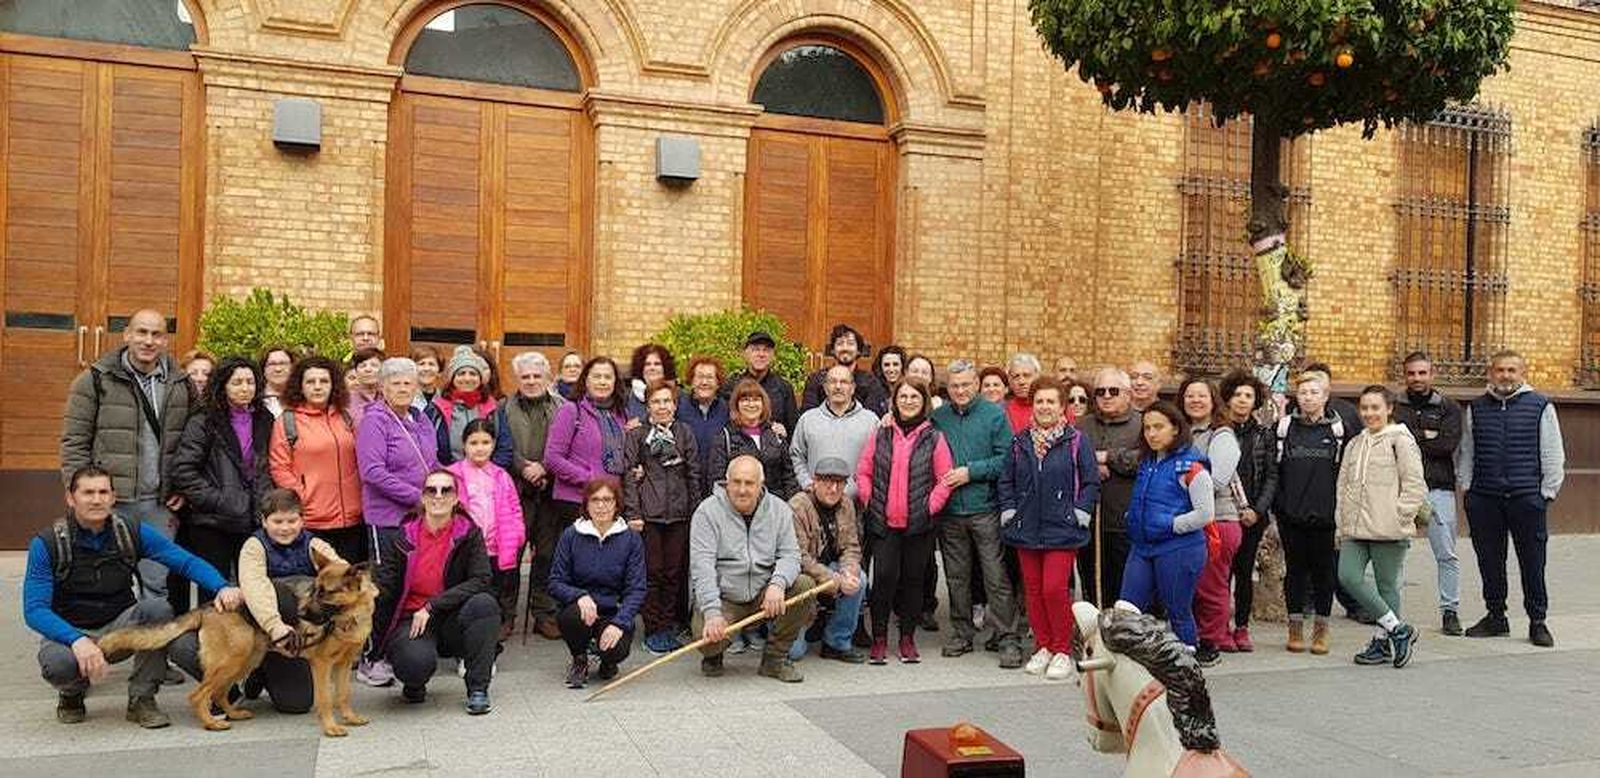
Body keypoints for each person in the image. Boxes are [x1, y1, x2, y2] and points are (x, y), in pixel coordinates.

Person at [24, 466, 242, 728]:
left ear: (113, 497)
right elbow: (34, 609)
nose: (96, 499)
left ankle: (142, 699)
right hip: (70, 630)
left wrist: (221, 586)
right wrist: (77, 640)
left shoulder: (129, 531)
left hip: (122, 625)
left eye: (103, 492)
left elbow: (184, 562)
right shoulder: (47, 543)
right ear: (71, 498)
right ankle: (72, 692)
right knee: (57, 665)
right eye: (88, 492)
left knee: (158, 610)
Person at [60, 308, 195, 605]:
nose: (148, 341)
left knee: (156, 587)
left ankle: (151, 651)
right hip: (110, 504)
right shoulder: (94, 380)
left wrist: (184, 487)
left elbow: (193, 445)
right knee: (104, 585)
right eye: (142, 332)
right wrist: (81, 494)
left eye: (156, 334)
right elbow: (74, 443)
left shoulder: (181, 384)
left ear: (165, 340)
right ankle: (103, 649)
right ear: (127, 335)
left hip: (159, 506)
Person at [1455, 350, 1565, 647]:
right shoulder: (1477, 408)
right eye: (1500, 370)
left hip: (1526, 498)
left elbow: (1552, 451)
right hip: (1485, 498)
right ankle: (1496, 616)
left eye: (1511, 370)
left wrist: (1546, 492)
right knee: (1490, 560)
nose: (1505, 375)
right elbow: (1467, 450)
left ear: (1522, 373)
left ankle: (1537, 621)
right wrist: (1467, 487)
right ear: (1491, 373)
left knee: (1532, 561)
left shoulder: (1540, 405)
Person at [999, 378, 1101, 680]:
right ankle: (1042, 645)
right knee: (1032, 591)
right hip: (1026, 526)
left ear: (1062, 407)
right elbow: (1006, 481)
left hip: (1063, 527)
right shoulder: (1019, 442)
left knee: (1054, 589)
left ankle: (1061, 650)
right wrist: (1010, 510)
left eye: (1051, 402)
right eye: (1039, 401)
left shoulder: (1077, 441)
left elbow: (1091, 481)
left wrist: (1079, 512)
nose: (1044, 407)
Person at [374, 469, 498, 714]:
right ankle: (414, 682)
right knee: (414, 663)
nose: (438, 496)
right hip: (412, 620)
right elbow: (384, 587)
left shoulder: (469, 533)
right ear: (422, 497)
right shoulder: (401, 537)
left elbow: (482, 579)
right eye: (431, 490)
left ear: (455, 498)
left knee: (485, 604)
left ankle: (478, 688)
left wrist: (432, 605)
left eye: (446, 490)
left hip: (452, 616)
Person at [691, 455, 816, 682]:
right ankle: (713, 655)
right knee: (707, 638)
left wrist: (777, 584)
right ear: (726, 482)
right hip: (725, 597)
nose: (742, 490)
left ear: (761, 485)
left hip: (764, 593)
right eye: (736, 482)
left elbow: (790, 554)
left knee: (804, 585)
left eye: (749, 483)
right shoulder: (706, 512)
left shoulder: (779, 510)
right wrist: (711, 613)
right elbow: (702, 568)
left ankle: (774, 660)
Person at [930, 360, 1022, 667]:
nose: (960, 391)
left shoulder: (995, 414)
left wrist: (971, 472)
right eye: (954, 386)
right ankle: (962, 632)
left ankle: (1008, 637)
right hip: (951, 510)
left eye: (966, 385)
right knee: (956, 577)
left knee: (995, 576)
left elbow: (1006, 459)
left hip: (985, 508)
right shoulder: (938, 417)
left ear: (976, 385)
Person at [354, 357, 439, 687]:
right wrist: (417, 497)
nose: (403, 388)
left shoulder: (421, 419)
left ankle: (394, 650)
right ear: (383, 387)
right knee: (385, 590)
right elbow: (372, 472)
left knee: (410, 584)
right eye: (396, 383)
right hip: (387, 518)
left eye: (409, 382)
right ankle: (370, 657)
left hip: (418, 519)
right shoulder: (375, 420)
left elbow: (432, 464)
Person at [856, 380, 953, 665]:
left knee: (913, 582)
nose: (908, 401)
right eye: (903, 396)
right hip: (883, 522)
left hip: (919, 524)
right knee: (883, 579)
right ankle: (880, 639)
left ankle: (908, 639)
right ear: (894, 400)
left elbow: (944, 480)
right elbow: (863, 471)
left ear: (923, 402)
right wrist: (870, 501)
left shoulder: (934, 437)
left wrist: (928, 508)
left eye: (914, 396)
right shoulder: (881, 433)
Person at [1336, 385, 1426, 668]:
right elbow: (1343, 486)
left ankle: (1382, 643)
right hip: (1355, 527)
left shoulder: (1400, 440)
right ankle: (1399, 630)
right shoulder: (1355, 443)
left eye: (1375, 407)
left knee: (1387, 587)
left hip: (1388, 527)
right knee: (1348, 576)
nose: (1369, 413)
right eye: (1364, 408)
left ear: (1389, 409)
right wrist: (1341, 522)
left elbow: (1414, 484)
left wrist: (1400, 516)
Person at [236, 488, 345, 713]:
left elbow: (340, 569)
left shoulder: (314, 544)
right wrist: (274, 626)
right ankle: (261, 660)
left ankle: (263, 672)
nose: (285, 528)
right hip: (267, 626)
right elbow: (254, 588)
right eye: (277, 521)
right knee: (282, 593)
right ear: (264, 521)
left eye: (291, 520)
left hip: (297, 631)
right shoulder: (254, 546)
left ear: (302, 520)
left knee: (297, 704)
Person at [169, 356, 274, 583]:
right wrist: (219, 500)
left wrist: (265, 504)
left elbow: (268, 467)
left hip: (253, 519)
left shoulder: (265, 419)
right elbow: (184, 470)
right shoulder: (205, 419)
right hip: (212, 522)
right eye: (237, 383)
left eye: (250, 381)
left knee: (253, 590)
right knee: (216, 591)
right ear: (223, 385)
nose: (245, 388)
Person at [1122, 402, 1214, 651]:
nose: (1151, 433)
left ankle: (1185, 672)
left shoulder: (1192, 465)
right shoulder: (1147, 461)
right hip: (1142, 546)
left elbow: (1206, 514)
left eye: (1158, 427)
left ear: (1175, 428)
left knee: (1178, 611)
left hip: (1179, 548)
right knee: (1126, 610)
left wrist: (1171, 525)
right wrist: (1133, 517)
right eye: (1147, 428)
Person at [623, 380, 702, 654]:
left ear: (675, 405)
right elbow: (629, 477)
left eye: (667, 401)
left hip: (679, 515)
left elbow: (693, 474)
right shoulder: (637, 435)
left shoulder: (684, 433)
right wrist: (633, 512)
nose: (662, 406)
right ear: (648, 406)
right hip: (649, 515)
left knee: (674, 574)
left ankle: (668, 625)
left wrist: (695, 512)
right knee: (652, 573)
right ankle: (653, 628)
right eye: (656, 402)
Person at [1393, 351, 1465, 635]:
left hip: (1438, 489)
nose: (1417, 378)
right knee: (1396, 552)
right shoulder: (1394, 407)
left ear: (1432, 375)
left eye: (1422, 373)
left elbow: (1447, 446)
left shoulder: (1449, 408)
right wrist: (1427, 437)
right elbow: (1391, 446)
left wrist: (1410, 437)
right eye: (1412, 373)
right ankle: (1392, 612)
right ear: (1405, 375)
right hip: (1401, 491)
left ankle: (1450, 612)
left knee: (1446, 554)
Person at [550, 477, 646, 688]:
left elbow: (636, 589)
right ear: (586, 504)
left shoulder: (631, 539)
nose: (601, 506)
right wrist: (579, 596)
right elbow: (556, 581)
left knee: (615, 649)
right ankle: (579, 659)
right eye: (595, 500)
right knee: (571, 616)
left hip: (613, 611)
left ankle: (608, 661)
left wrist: (619, 623)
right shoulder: (571, 536)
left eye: (607, 500)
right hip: (581, 610)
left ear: (617, 503)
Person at [496, 351, 566, 639]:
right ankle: (505, 615)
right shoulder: (503, 408)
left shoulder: (562, 407)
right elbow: (501, 445)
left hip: (551, 491)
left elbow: (565, 445)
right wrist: (524, 467)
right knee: (511, 553)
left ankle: (544, 613)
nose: (531, 381)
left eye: (537, 376)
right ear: (517, 379)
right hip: (516, 491)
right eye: (525, 376)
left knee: (547, 554)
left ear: (547, 378)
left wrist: (545, 469)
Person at [269, 355, 366, 564]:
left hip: (352, 519)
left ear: (333, 385)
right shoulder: (287, 421)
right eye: (310, 382)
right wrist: (303, 498)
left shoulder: (347, 418)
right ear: (300, 386)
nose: (318, 387)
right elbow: (279, 468)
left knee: (348, 588)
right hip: (313, 520)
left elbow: (361, 460)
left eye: (324, 381)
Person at [1275, 370, 1346, 655]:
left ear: (1325, 396)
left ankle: (1321, 630)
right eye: (1303, 393)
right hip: (1291, 516)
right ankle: (1295, 629)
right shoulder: (1284, 428)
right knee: (1294, 573)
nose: (1308, 397)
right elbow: (1275, 470)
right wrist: (1280, 508)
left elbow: (1343, 473)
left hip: (1325, 518)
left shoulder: (1337, 430)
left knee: (1324, 575)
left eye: (1314, 392)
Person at [1180, 378, 1242, 667]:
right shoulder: (1181, 433)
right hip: (1190, 520)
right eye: (1189, 395)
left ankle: (1211, 641)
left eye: (1201, 396)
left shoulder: (1222, 436)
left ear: (1213, 400)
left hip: (1218, 521)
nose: (1195, 400)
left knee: (1211, 585)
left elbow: (1216, 481)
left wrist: (1176, 484)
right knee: (1191, 583)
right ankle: (1192, 638)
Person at [446, 420, 527, 640]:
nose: (479, 448)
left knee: (496, 588)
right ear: (464, 445)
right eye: (474, 443)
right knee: (468, 588)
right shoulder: (452, 475)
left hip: (496, 546)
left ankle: (494, 627)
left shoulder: (502, 476)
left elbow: (514, 510)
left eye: (485, 442)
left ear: (493, 445)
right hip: (466, 547)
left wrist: (517, 535)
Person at [1218, 369, 1277, 652]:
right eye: (1237, 395)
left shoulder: (1264, 434)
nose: (1242, 400)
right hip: (1222, 512)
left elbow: (1271, 477)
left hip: (1252, 515)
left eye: (1248, 396)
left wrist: (1257, 509)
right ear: (1228, 399)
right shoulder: (1219, 432)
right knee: (1220, 574)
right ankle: (1220, 626)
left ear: (1256, 402)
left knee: (1244, 572)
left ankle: (1241, 626)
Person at [787, 457, 866, 663]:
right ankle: (778, 627)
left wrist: (849, 571)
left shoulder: (846, 504)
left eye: (839, 483)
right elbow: (799, 557)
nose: (833, 489)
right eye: (827, 482)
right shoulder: (797, 507)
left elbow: (851, 546)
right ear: (814, 482)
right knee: (794, 653)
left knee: (860, 580)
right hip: (802, 576)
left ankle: (836, 642)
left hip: (831, 566)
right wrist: (833, 579)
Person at [1077, 367, 1142, 611]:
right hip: (1090, 521)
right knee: (1092, 589)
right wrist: (1092, 467)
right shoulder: (1083, 425)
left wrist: (1109, 457)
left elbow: (1145, 458)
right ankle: (1094, 639)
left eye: (1113, 391)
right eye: (1100, 391)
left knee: (1125, 590)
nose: (1106, 396)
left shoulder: (1142, 424)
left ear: (1127, 394)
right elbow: (1070, 459)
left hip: (1125, 522)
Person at [546, 356, 632, 525]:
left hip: (611, 502)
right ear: (585, 380)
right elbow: (552, 458)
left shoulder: (621, 415)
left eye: (607, 377)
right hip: (576, 501)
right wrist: (590, 479)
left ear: (615, 382)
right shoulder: (571, 411)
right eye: (596, 376)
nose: (602, 382)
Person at [791, 364, 880, 499]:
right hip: (815, 501)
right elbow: (796, 456)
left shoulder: (871, 421)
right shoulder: (808, 419)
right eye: (833, 382)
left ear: (853, 388)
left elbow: (879, 461)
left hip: (858, 504)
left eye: (844, 382)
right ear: (826, 388)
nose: (838, 386)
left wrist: (862, 490)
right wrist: (807, 483)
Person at [709, 379, 800, 501]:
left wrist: (789, 505)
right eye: (745, 400)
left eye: (756, 399)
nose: (751, 404)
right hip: (740, 508)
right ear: (736, 405)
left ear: (763, 404)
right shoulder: (725, 438)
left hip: (775, 506)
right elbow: (718, 480)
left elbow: (789, 476)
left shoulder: (775, 434)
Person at [428, 345, 501, 465]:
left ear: (480, 379)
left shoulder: (493, 407)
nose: (467, 378)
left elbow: (504, 447)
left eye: (473, 373)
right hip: (446, 475)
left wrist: (488, 472)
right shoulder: (436, 408)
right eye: (461, 373)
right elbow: (426, 446)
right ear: (452, 378)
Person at [800, 323, 886, 416]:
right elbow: (808, 415)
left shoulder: (871, 382)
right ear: (832, 350)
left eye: (850, 343)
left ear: (859, 350)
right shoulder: (816, 380)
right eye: (840, 343)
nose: (845, 348)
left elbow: (872, 418)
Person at [722, 331, 799, 433]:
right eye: (755, 350)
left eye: (766, 350)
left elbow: (792, 428)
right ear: (745, 354)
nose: (761, 354)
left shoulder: (783, 388)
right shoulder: (732, 386)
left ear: (773, 355)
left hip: (772, 445)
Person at [679, 356, 730, 497]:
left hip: (718, 486)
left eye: (710, 377)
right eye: (699, 377)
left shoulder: (727, 410)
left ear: (718, 383)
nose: (704, 382)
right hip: (685, 486)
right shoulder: (679, 407)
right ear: (691, 380)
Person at [627, 344, 677, 419]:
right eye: (647, 364)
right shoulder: (628, 397)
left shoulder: (680, 396)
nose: (652, 368)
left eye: (657, 364)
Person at [344, 347, 386, 431]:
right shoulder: (346, 400)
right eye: (362, 366)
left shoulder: (389, 398)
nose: (368, 369)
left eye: (374, 365)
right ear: (356, 372)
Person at [1003, 353, 1041, 433]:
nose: (1021, 382)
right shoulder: (1001, 411)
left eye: (1027, 376)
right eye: (1016, 376)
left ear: (1037, 378)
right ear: (1010, 381)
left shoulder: (1052, 407)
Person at [259, 345, 294, 418]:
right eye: (272, 364)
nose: (278, 369)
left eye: (283, 363)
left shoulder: (302, 399)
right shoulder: (255, 402)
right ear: (263, 370)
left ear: (292, 367)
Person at [410, 345, 445, 410]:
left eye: (431, 364)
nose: (426, 368)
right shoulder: (405, 397)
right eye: (421, 364)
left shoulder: (444, 398)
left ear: (439, 371)